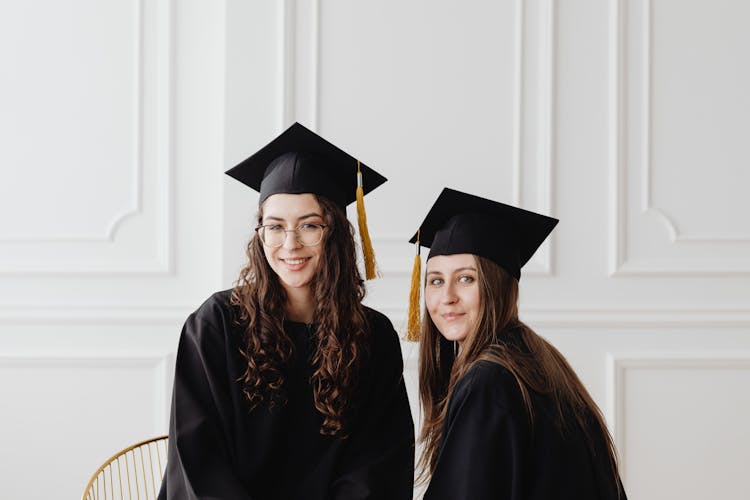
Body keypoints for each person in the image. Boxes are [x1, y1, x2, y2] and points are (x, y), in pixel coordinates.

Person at [158, 123, 415, 500]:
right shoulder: (216, 324)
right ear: (260, 234)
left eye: (309, 225)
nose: (289, 244)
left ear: (337, 232)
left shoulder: (372, 336)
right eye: (275, 227)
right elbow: (199, 457)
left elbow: (377, 464)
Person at [407, 188, 626, 500]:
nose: (447, 297)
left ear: (497, 285)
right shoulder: (535, 360)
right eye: (436, 280)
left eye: (467, 278)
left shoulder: (488, 381)